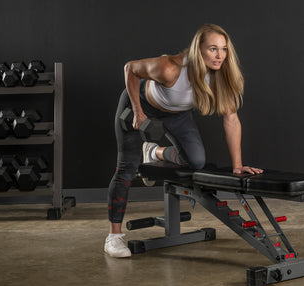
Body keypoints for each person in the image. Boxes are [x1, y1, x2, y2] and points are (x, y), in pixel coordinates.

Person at [105, 24, 263, 258]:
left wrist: (237, 166)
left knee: (196, 162)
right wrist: (138, 112)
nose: (220, 55)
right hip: (140, 104)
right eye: (213, 49)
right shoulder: (170, 68)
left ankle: (155, 152)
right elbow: (130, 69)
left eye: (223, 49)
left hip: (177, 114)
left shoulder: (220, 76)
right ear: (198, 49)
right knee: (126, 168)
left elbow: (231, 118)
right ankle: (113, 237)